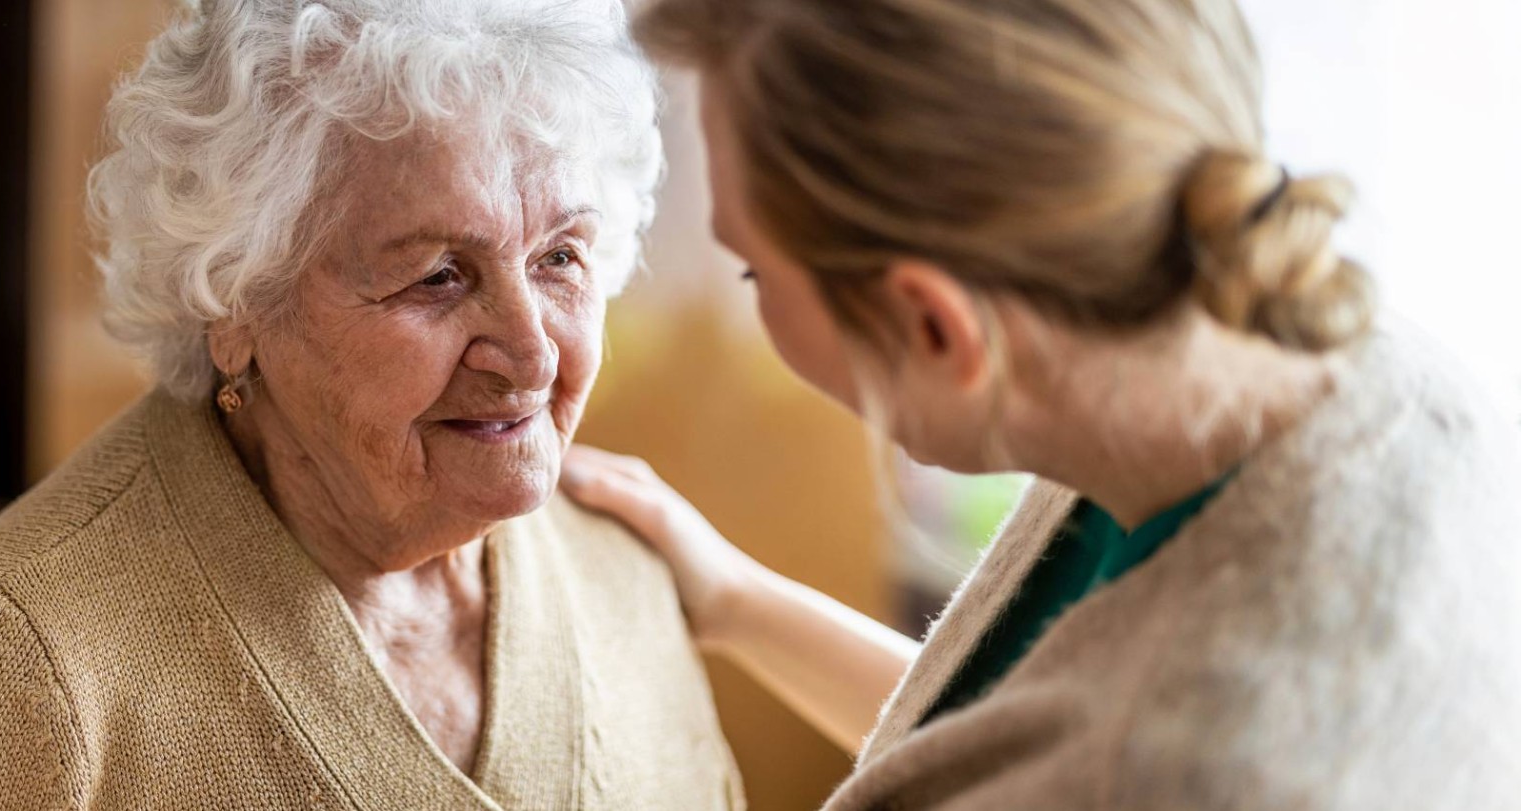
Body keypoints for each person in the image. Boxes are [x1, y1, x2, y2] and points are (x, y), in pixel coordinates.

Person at [561, 0, 1521, 807]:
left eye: (750, 269)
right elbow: (1022, 729)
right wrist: (734, 599)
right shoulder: (1344, 373)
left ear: (933, 327)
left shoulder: (1219, 765)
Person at [0, 2, 743, 808]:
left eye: (560, 257)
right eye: (438, 276)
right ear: (235, 301)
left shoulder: (627, 573)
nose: (533, 351)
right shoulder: (13, 666)